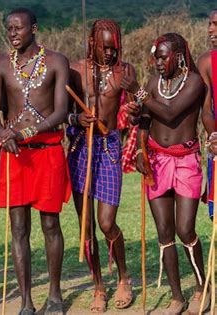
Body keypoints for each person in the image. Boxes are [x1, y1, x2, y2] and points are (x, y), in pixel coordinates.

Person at [0, 8, 70, 315]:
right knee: (18, 227)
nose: (12, 33)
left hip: (47, 150)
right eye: (8, 29)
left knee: (50, 223)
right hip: (14, 154)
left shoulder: (57, 61)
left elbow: (60, 111)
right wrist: (4, 133)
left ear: (34, 28)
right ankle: (25, 301)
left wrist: (28, 132)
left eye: (18, 28)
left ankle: (56, 294)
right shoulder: (0, 66)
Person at [122, 33, 208, 314]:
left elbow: (170, 114)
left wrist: (138, 92)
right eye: (155, 57)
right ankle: (176, 297)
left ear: (179, 56)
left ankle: (200, 287)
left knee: (185, 229)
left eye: (163, 57)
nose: (157, 62)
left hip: (185, 162)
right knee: (164, 232)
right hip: (157, 160)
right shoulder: (152, 83)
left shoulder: (194, 82)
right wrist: (139, 150)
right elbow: (146, 119)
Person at [67, 19, 134, 312]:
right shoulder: (75, 70)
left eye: (113, 48)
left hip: (109, 147)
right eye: (104, 47)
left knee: (106, 222)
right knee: (87, 226)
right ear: (92, 41)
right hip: (81, 145)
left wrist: (134, 107)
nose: (109, 53)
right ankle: (98, 287)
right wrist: (75, 119)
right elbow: (62, 111)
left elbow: (137, 113)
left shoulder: (125, 71)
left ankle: (123, 278)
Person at [199, 9, 217, 220]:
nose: (211, 29)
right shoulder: (205, 61)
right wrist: (213, 137)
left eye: (215, 24)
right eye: (209, 24)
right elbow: (206, 109)